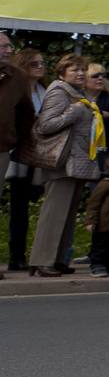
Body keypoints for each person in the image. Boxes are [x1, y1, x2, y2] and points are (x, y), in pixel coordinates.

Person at [26, 54, 103, 276]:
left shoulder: (76, 94)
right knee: (54, 213)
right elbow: (46, 125)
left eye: (82, 70)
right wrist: (75, 111)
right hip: (62, 162)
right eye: (74, 70)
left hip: (75, 161)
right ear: (61, 74)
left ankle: (57, 259)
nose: (80, 74)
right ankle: (42, 261)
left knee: (66, 214)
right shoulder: (59, 92)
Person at [6, 47, 47, 273]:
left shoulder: (45, 89)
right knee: (18, 207)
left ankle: (39, 254)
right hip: (18, 152)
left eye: (42, 63)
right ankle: (16, 255)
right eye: (34, 64)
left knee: (36, 203)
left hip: (40, 153)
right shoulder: (14, 88)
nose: (40, 67)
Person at [0, 33, 37, 279]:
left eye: (9, 46)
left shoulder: (18, 77)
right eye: (3, 46)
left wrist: (21, 144)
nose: (8, 50)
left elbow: (26, 114)